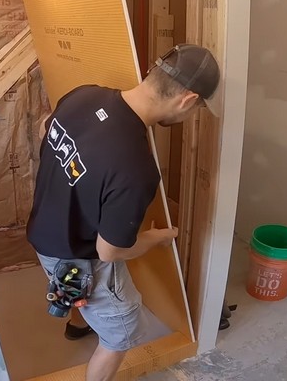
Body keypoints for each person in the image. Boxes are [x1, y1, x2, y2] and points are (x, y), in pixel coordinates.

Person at [26, 43, 221, 381]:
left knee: (81, 297)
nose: (192, 115)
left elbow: (46, 128)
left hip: (44, 231)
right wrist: (156, 237)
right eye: (198, 108)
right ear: (188, 99)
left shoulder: (83, 95)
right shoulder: (135, 167)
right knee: (122, 334)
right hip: (78, 258)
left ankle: (78, 326)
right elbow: (109, 251)